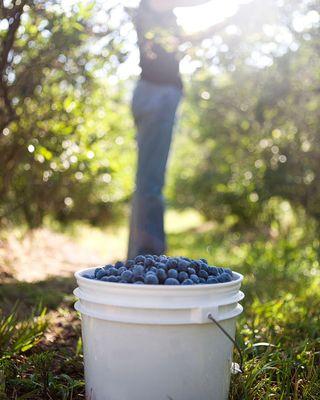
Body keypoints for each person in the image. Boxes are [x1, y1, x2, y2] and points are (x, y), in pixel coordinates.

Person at [128, 0, 235, 259]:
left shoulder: (162, 18)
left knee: (149, 179)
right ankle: (147, 258)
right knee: (151, 182)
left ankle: (143, 256)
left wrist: (233, 19)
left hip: (158, 96)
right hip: (157, 96)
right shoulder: (153, 5)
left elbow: (189, 38)